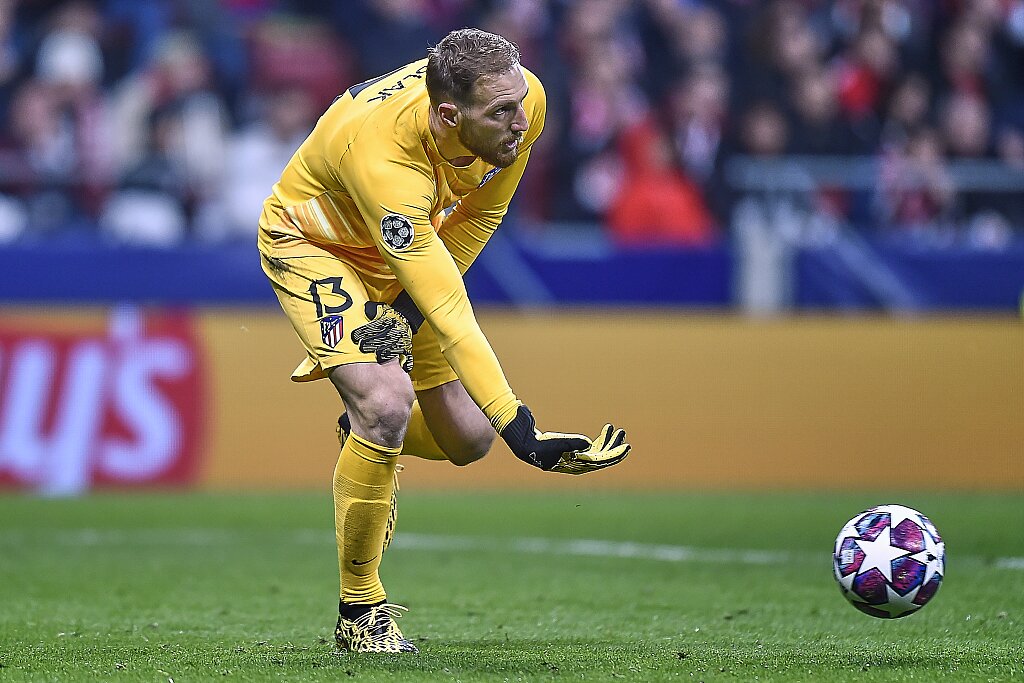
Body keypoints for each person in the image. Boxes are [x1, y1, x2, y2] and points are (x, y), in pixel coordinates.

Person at [256, 28, 632, 654]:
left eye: (519, 102)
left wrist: (405, 311)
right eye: (501, 113)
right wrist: (524, 430)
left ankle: (364, 434)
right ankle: (360, 610)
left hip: (406, 248)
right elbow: (453, 312)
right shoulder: (384, 158)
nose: (521, 123)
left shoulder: (524, 99)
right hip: (316, 244)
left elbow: (480, 216)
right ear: (450, 116)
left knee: (469, 438)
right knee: (386, 402)